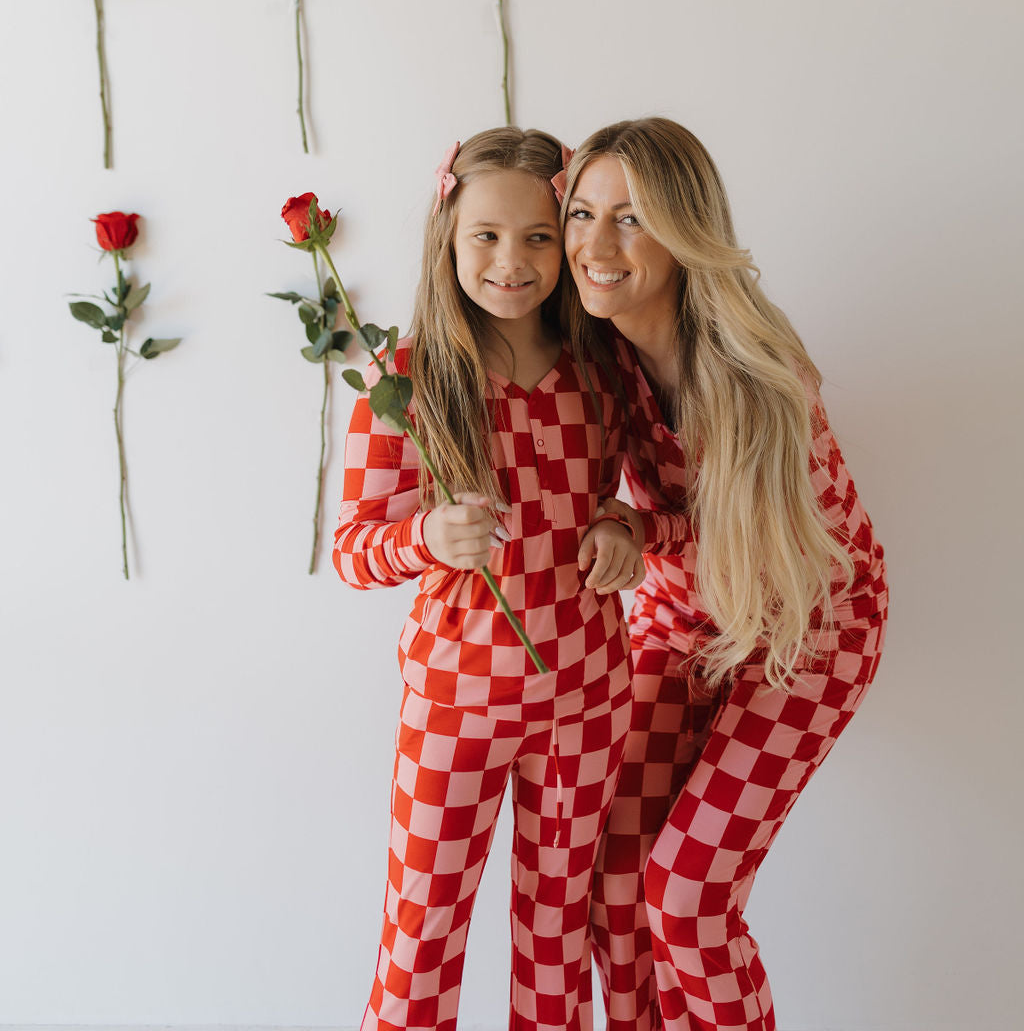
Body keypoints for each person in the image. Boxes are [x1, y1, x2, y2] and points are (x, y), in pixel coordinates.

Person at [334, 126, 683, 1031]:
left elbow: (668, 506)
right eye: (486, 236)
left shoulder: (604, 368)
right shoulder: (405, 379)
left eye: (537, 237)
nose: (512, 262)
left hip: (587, 697)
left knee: (556, 937)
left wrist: (628, 532)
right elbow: (353, 549)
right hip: (455, 702)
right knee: (421, 935)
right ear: (448, 237)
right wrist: (424, 537)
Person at [559, 117, 888, 1031]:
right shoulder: (596, 347)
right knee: (611, 879)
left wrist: (641, 527)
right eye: (582, 213)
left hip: (809, 625)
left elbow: (759, 554)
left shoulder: (756, 373)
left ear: (683, 232)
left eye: (631, 218)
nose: (596, 245)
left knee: (686, 898)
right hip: (680, 611)